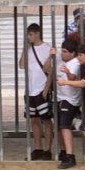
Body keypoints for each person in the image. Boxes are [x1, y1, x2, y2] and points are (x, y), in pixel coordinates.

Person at [19, 23, 53, 161]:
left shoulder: (47, 48)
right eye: (28, 35)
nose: (29, 37)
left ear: (37, 33)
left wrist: (46, 89)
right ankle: (38, 148)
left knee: (46, 120)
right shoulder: (29, 49)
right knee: (34, 120)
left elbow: (50, 71)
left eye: (31, 34)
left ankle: (47, 149)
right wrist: (25, 48)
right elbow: (21, 65)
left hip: (41, 89)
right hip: (30, 90)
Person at [51, 39, 81, 169]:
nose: (62, 54)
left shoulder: (75, 63)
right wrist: (51, 56)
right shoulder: (61, 60)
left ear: (73, 53)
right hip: (59, 98)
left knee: (65, 126)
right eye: (62, 51)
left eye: (65, 52)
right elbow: (46, 68)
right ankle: (64, 152)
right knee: (58, 127)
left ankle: (70, 156)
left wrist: (68, 72)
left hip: (70, 99)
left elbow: (72, 78)